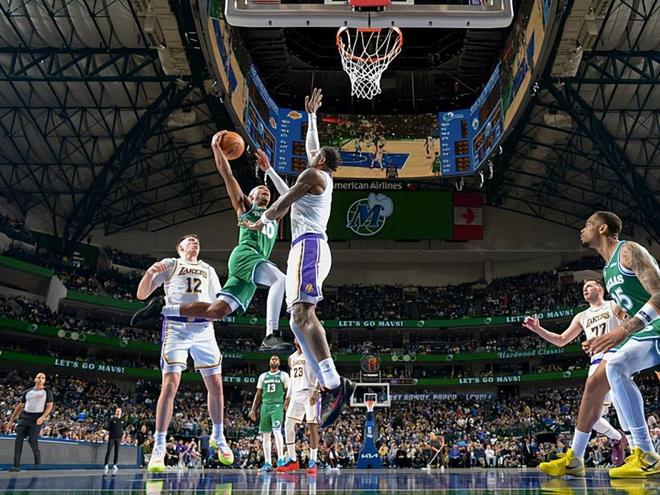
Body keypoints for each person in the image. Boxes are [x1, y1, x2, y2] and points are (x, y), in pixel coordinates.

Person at [241, 88, 355, 429]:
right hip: (303, 248)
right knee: (294, 321)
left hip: (310, 246)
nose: (310, 154)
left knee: (304, 313)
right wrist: (312, 117)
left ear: (320, 161)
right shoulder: (318, 174)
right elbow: (310, 150)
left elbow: (282, 203)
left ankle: (335, 383)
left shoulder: (313, 176)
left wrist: (261, 220)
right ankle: (329, 381)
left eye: (314, 155)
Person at [132, 131, 292, 353]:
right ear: (250, 197)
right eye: (259, 190)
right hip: (246, 255)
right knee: (280, 279)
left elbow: (290, 197)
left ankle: (163, 308)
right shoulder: (245, 207)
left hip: (252, 267)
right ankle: (271, 335)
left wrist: (270, 170)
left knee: (216, 312)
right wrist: (217, 148)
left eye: (267, 191)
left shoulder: (274, 216)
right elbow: (227, 175)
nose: (265, 190)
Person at [540, 211, 660, 478]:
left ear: (603, 228)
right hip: (645, 331)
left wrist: (621, 332)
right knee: (595, 383)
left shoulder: (629, 251)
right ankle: (575, 458)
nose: (582, 229)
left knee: (616, 365)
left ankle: (646, 454)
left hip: (656, 327)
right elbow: (629, 311)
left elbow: (659, 294)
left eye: (588, 224)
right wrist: (607, 336)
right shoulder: (607, 270)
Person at [134, 234, 233, 473]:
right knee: (170, 385)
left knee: (216, 385)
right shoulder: (170, 264)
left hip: (203, 328)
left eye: (197, 240)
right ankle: (159, 446)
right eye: (189, 240)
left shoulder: (208, 269)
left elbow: (217, 303)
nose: (195, 242)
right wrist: (149, 273)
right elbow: (141, 295)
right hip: (177, 329)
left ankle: (218, 436)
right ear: (180, 247)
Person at [523, 279, 629, 466]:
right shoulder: (582, 316)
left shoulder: (614, 305)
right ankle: (617, 438)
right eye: (583, 288)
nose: (585, 289)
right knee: (591, 419)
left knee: (625, 411)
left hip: (617, 359)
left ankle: (639, 452)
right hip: (596, 364)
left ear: (600, 289)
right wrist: (538, 329)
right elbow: (561, 340)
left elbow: (630, 326)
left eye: (589, 286)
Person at [277, 339, 320, 473]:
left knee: (312, 425)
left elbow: (319, 372)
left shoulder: (312, 353)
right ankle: (292, 459)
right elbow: (292, 379)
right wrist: (288, 396)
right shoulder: (291, 358)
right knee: (288, 424)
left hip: (309, 392)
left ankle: (313, 460)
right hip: (296, 394)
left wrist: (316, 391)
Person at [5, 372, 53, 472]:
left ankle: (37, 461)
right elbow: (20, 406)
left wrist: (43, 417)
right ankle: (16, 465)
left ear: (44, 380)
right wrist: (11, 420)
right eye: (39, 377)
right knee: (18, 441)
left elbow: (49, 406)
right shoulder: (28, 392)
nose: (40, 379)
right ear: (35, 379)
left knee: (32, 440)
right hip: (25, 418)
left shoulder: (47, 391)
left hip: (36, 419)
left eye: (42, 377)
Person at [249, 355, 289, 472]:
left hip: (277, 405)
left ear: (279, 363)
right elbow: (258, 393)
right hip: (265, 405)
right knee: (265, 435)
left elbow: (288, 390)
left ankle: (281, 459)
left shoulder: (283, 375)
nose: (274, 360)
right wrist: (253, 409)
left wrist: (287, 402)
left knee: (277, 431)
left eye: (276, 359)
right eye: (272, 359)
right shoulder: (263, 376)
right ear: (269, 362)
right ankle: (267, 463)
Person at [104, 407, 124, 474]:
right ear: (115, 412)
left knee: (117, 452)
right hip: (112, 437)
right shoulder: (112, 419)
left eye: (119, 411)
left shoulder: (122, 420)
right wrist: (107, 435)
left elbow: (123, 429)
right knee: (108, 451)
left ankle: (115, 464)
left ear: (121, 412)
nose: (118, 412)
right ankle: (106, 464)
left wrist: (123, 436)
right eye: (117, 411)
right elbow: (108, 428)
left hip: (118, 438)